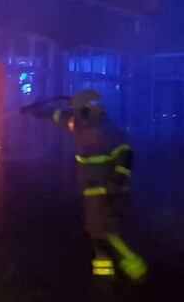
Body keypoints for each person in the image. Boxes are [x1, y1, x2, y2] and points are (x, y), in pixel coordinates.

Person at [24, 90, 147, 281]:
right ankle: (104, 269)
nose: (74, 116)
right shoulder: (83, 125)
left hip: (106, 191)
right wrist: (39, 111)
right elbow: (61, 117)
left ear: (88, 110)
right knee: (95, 229)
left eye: (77, 111)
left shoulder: (107, 131)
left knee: (103, 231)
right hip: (94, 191)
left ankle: (134, 266)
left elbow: (125, 155)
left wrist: (116, 182)